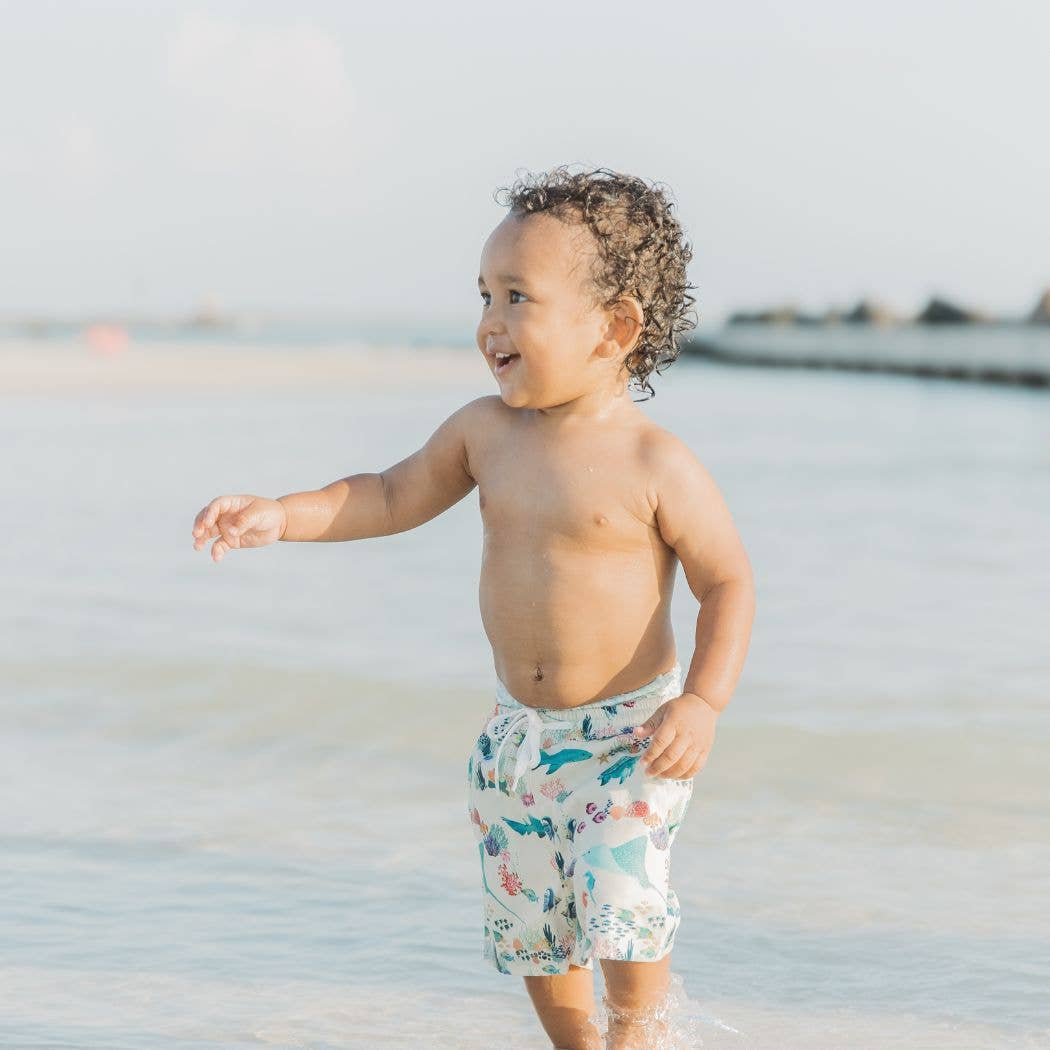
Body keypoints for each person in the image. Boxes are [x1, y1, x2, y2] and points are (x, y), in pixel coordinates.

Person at [190, 165, 755, 1050]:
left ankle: (637, 1040)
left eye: (518, 295)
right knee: (532, 920)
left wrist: (704, 702)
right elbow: (387, 495)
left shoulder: (655, 462)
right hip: (516, 739)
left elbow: (727, 582)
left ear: (615, 327)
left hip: (629, 738)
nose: (490, 321)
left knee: (620, 899)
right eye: (484, 294)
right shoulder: (482, 432)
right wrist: (282, 516)